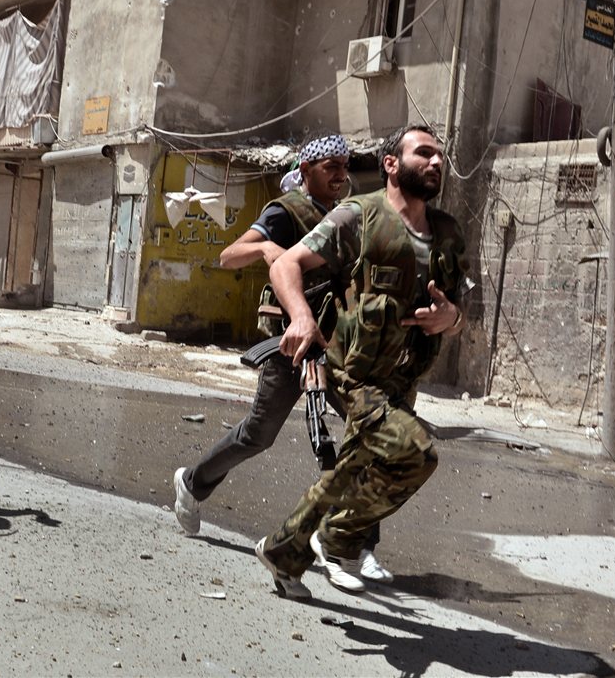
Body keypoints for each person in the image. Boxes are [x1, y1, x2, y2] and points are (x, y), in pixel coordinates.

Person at [252, 124, 467, 599]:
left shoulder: (448, 235)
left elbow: (457, 316)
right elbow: (285, 265)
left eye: (439, 156)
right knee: (417, 453)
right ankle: (338, 540)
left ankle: (285, 551)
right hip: (353, 375)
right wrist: (303, 319)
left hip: (403, 380)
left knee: (352, 468)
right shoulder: (359, 216)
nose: (435, 162)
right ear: (392, 163)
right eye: (424, 153)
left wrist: (449, 319)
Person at [171, 134, 394, 585]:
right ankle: (192, 484)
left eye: (344, 165)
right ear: (307, 171)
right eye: (329, 165)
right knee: (258, 434)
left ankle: (359, 545)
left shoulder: (347, 217)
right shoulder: (287, 210)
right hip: (292, 344)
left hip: (337, 345)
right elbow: (229, 254)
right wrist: (266, 249)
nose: (339, 173)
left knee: (366, 431)